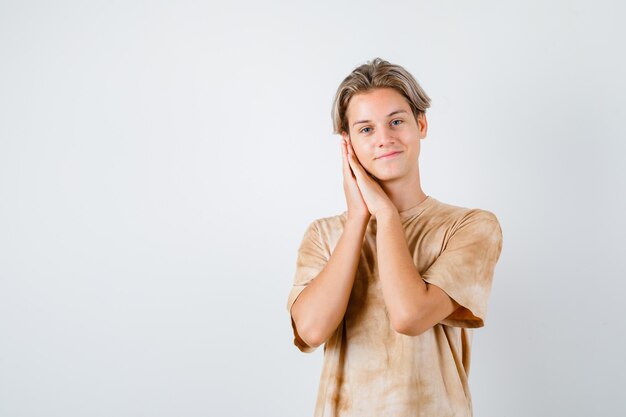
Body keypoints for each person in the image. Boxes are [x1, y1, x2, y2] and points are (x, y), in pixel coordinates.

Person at [285, 57, 503, 417]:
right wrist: (358, 217)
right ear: (348, 144)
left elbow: (409, 316)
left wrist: (385, 214)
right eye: (366, 129)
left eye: (396, 121)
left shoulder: (470, 227)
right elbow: (310, 331)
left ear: (421, 124)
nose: (384, 138)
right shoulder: (324, 235)